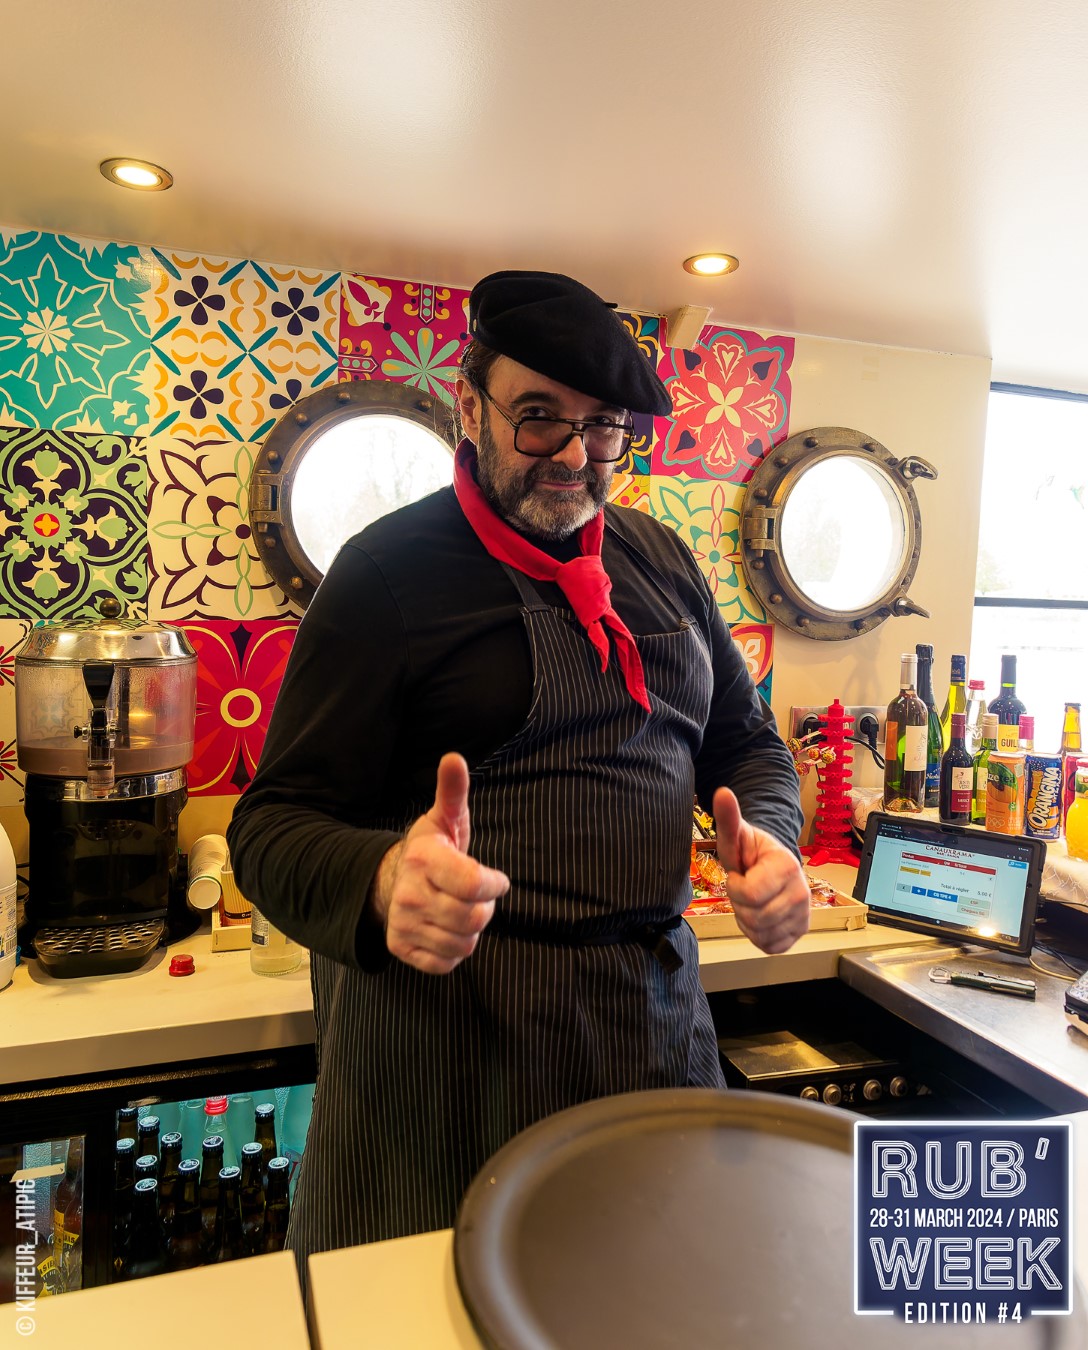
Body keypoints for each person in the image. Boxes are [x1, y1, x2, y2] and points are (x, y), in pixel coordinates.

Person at [227, 269, 808, 1274]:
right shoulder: (384, 576)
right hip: (453, 1059)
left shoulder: (664, 564)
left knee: (652, 1302)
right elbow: (271, 825)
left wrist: (770, 840)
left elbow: (746, 745)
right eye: (538, 417)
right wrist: (381, 879)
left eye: (603, 427)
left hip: (650, 1032)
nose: (574, 455)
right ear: (470, 408)